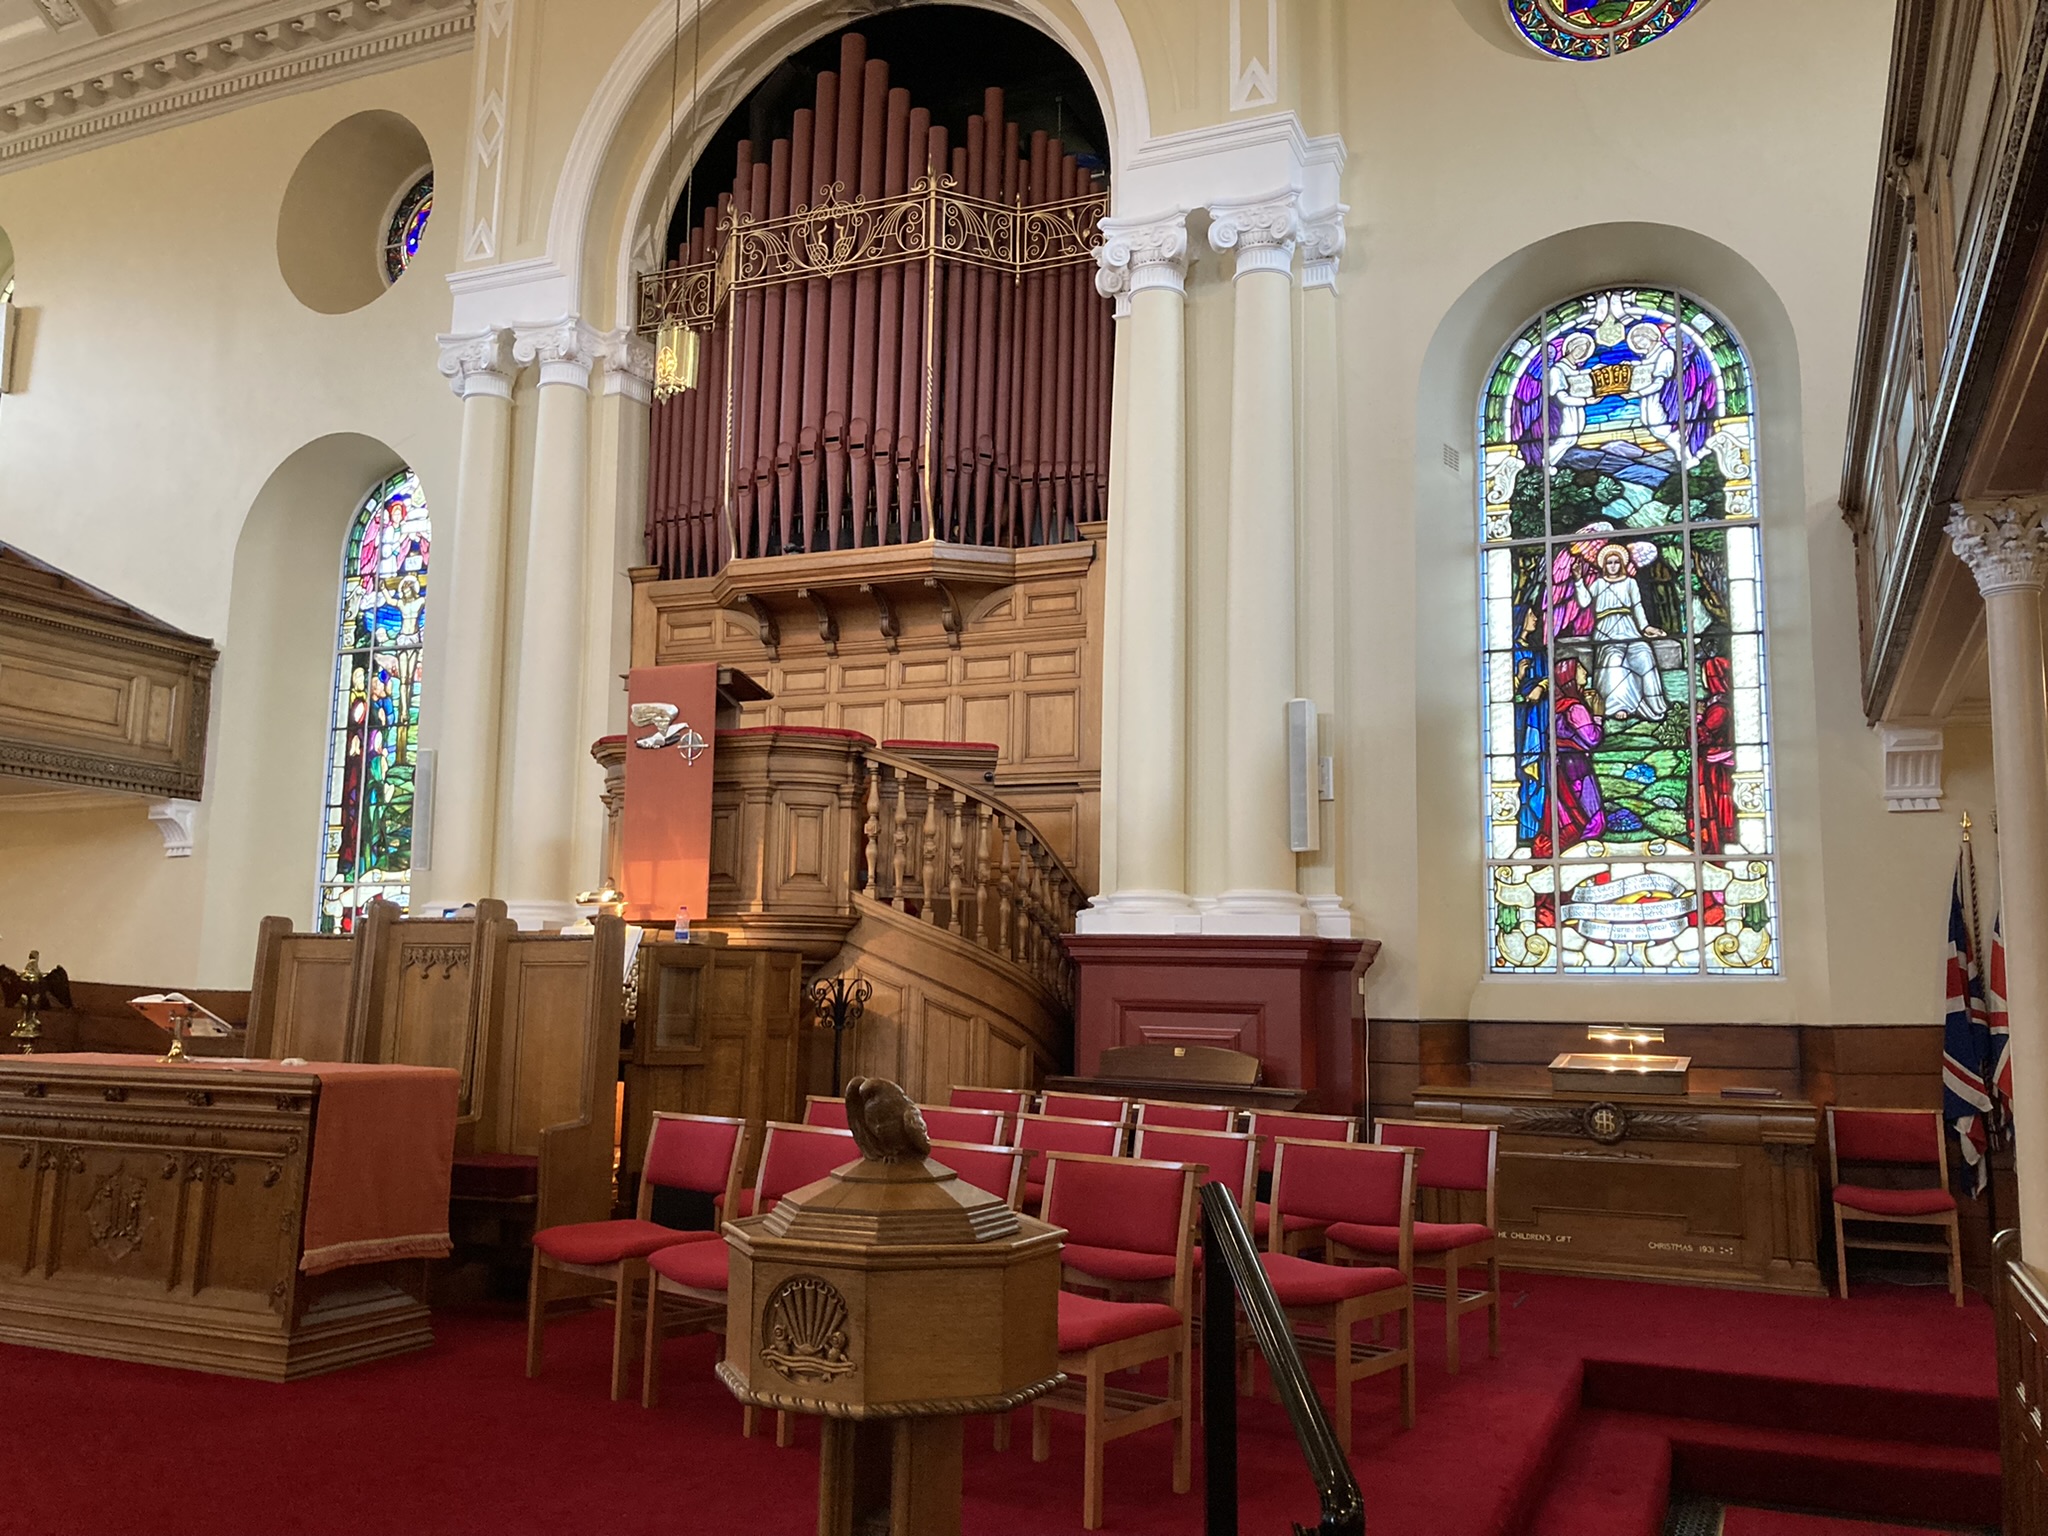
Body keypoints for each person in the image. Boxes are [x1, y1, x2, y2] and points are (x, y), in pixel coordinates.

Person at [1575, 543, 1669, 722]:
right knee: (1614, 660)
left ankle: (1653, 703)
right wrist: (1579, 580)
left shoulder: (1630, 583)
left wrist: (1646, 628)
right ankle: (1617, 705)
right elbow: (1584, 602)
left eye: (1616, 562)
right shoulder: (1598, 583)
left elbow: (1637, 607)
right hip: (1606, 630)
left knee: (1644, 655)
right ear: (1604, 565)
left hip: (1629, 628)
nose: (1613, 566)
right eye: (1609, 562)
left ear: (1622, 564)